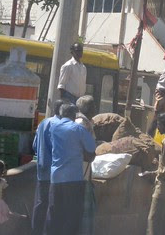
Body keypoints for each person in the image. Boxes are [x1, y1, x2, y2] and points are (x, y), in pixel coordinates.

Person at [45, 104, 96, 235]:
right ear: (74, 115)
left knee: (54, 215)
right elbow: (91, 151)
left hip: (55, 178)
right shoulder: (78, 129)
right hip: (73, 179)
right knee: (71, 217)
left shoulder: (53, 127)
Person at [31, 99, 64, 235]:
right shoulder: (60, 125)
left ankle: (34, 231)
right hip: (54, 171)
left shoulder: (44, 122)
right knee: (52, 206)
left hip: (41, 169)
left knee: (40, 203)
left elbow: (34, 146)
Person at [75, 95, 97, 235]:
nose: (95, 108)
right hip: (81, 173)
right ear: (88, 108)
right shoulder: (82, 123)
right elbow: (82, 149)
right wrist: (91, 155)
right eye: (93, 105)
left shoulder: (85, 122)